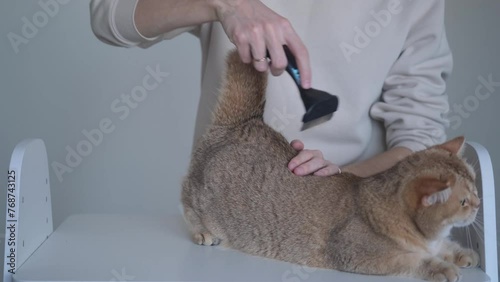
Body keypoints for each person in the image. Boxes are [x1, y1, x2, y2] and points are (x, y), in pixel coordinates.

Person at [89, 0, 453, 178]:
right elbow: (109, 15)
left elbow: (422, 143)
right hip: (226, 219)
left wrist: (338, 184)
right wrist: (228, 4)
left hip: (349, 220)